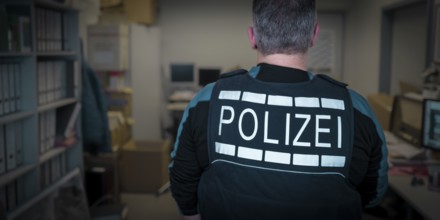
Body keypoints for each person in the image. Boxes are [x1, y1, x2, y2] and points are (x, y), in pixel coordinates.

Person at [169, 0, 388, 219]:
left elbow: (183, 185)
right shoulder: (356, 109)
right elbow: (373, 196)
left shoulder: (208, 100)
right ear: (314, 35)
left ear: (252, 36)